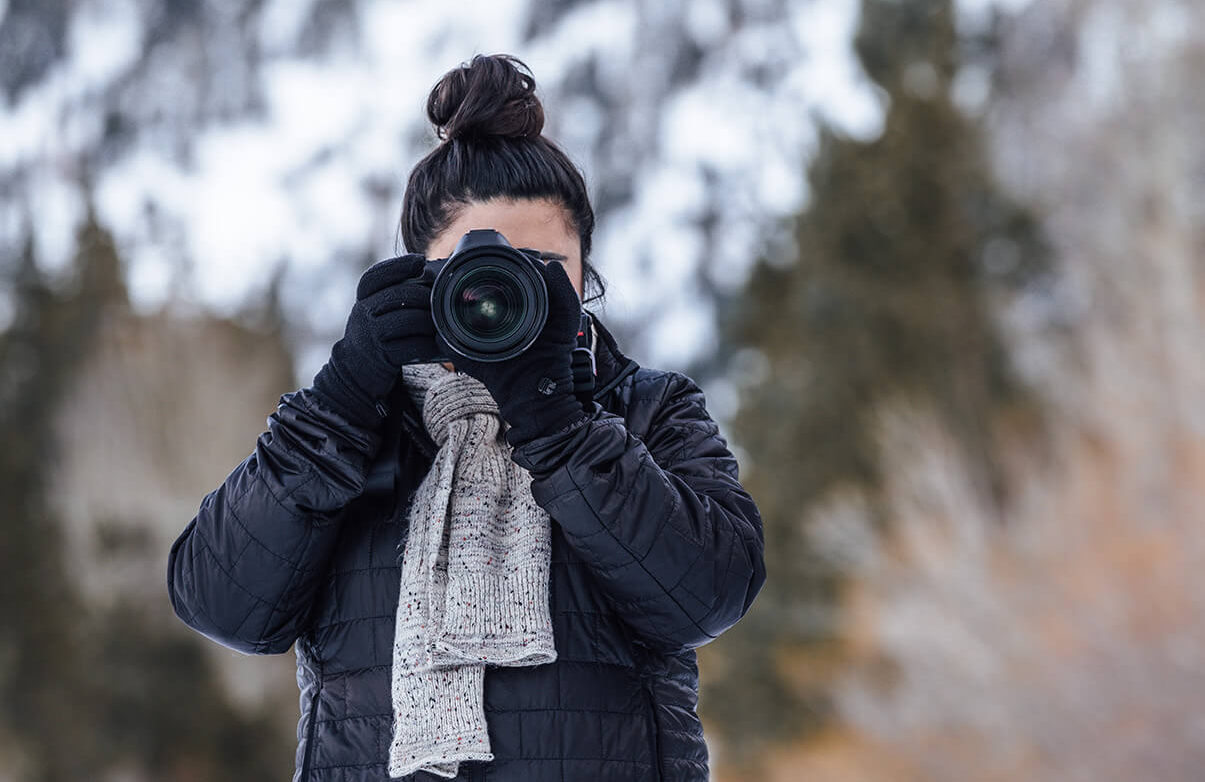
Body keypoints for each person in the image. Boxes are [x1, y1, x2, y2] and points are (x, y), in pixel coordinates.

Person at [166, 53, 766, 782]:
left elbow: (711, 593)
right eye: (475, 269)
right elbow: (221, 602)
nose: (502, 296)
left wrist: (559, 428)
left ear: (586, 279)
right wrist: (344, 398)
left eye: (543, 268)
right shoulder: (358, 427)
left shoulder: (645, 411)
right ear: (422, 278)